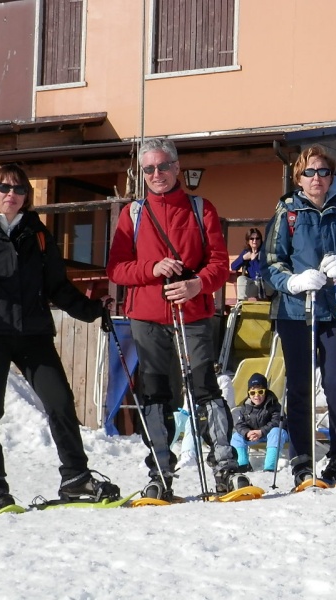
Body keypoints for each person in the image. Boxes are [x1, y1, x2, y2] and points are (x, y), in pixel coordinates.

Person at [0, 164, 121, 512]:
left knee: (60, 402)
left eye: (19, 190)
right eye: (4, 188)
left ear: (26, 197)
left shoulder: (38, 234)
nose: (11, 195)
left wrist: (93, 309)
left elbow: (58, 288)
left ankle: (76, 479)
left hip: (33, 334)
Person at [107, 137, 249, 499]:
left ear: (176, 168)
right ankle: (160, 472)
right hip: (147, 316)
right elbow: (117, 269)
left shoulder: (201, 209)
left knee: (205, 390)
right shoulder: (133, 214)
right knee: (155, 393)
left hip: (193, 313)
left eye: (163, 166)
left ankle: (225, 467)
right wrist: (152, 268)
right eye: (149, 168)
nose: (157, 174)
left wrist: (196, 285)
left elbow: (219, 262)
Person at [262, 145, 336, 485]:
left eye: (323, 172)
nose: (317, 179)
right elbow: (271, 261)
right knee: (299, 388)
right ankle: (302, 459)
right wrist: (292, 281)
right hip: (297, 313)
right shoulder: (288, 212)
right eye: (310, 172)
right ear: (299, 176)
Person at [230, 373, 288, 472]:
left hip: (272, 434)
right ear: (249, 393)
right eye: (253, 393)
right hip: (254, 435)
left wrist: (261, 432)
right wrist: (247, 432)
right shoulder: (246, 406)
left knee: (276, 432)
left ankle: (270, 466)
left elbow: (277, 421)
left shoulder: (273, 404)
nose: (256, 396)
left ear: (265, 391)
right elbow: (240, 424)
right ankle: (243, 464)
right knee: (236, 437)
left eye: (260, 392)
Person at [231, 228, 271, 300]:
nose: (254, 241)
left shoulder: (265, 252)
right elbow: (233, 266)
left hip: (265, 284)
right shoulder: (246, 252)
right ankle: (241, 302)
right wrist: (243, 258)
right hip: (253, 285)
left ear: (260, 240)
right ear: (248, 241)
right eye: (252, 239)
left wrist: (257, 258)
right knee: (241, 279)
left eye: (257, 238)